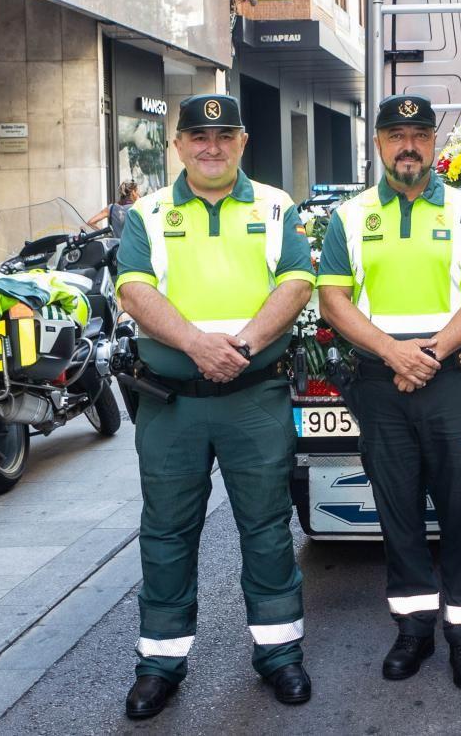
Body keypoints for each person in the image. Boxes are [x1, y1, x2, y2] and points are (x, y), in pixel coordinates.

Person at [114, 94, 314, 720]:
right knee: (168, 532)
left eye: (224, 135)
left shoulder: (276, 205)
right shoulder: (147, 212)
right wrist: (197, 344)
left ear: (243, 142)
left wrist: (243, 346)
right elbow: (132, 289)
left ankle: (280, 655)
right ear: (178, 146)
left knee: (266, 527)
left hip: (254, 397)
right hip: (172, 404)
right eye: (198, 136)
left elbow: (298, 281)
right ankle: (160, 663)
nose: (211, 146)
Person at [315, 95, 461, 690]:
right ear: (377, 144)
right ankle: (414, 629)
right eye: (395, 134)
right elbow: (334, 299)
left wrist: (428, 354)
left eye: (420, 134)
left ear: (435, 143)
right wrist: (395, 353)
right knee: (396, 511)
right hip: (380, 382)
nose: (408, 146)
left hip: (449, 379)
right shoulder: (348, 217)